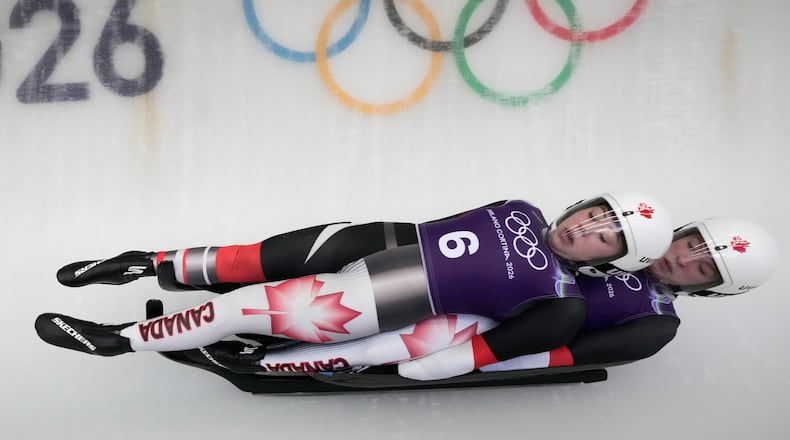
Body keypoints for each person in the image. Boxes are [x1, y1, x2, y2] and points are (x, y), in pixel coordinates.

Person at [36, 192, 673, 377]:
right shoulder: (522, 208)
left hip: (382, 299)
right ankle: (143, 262)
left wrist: (442, 362)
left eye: (606, 235)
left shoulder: (561, 301)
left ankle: (119, 339)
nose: (586, 228)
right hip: (379, 240)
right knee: (252, 258)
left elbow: (490, 345)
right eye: (595, 213)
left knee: (239, 308)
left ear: (616, 262)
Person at [161, 216, 777, 381]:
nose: (683, 259)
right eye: (693, 244)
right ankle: (227, 286)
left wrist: (472, 361)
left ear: (713, 288)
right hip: (468, 284)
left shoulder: (657, 322)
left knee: (402, 340)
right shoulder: (626, 236)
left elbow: (564, 354)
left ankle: (266, 361)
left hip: (487, 330)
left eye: (703, 266)